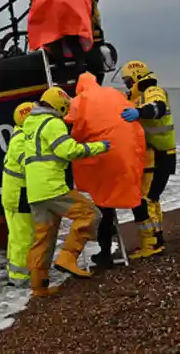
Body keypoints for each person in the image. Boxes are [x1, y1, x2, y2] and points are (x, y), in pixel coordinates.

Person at [24, 87, 110, 296]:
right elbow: (68, 151)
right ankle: (68, 257)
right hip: (52, 187)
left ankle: (38, 287)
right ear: (60, 105)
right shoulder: (53, 123)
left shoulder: (29, 124)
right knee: (90, 214)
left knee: (43, 238)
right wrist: (99, 146)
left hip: (35, 192)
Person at [65, 72, 148, 269]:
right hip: (125, 152)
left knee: (104, 202)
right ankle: (149, 237)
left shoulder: (80, 100)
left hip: (103, 155)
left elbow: (71, 123)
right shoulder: (115, 93)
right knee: (130, 190)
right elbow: (131, 117)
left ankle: (105, 253)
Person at [119, 60, 178, 259]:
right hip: (153, 155)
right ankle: (155, 238)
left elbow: (157, 108)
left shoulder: (152, 90)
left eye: (128, 80)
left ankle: (152, 243)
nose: (127, 84)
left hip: (161, 154)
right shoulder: (136, 97)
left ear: (136, 76)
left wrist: (139, 113)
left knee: (146, 199)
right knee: (150, 197)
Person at [27, 0, 95, 82]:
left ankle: (61, 70)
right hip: (76, 1)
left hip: (52, 1)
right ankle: (81, 70)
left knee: (52, 37)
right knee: (73, 36)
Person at [2, 101, 36, 287]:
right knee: (23, 236)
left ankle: (17, 275)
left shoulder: (22, 136)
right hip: (18, 195)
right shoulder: (22, 140)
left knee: (18, 235)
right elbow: (31, 163)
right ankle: (20, 280)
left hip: (16, 193)